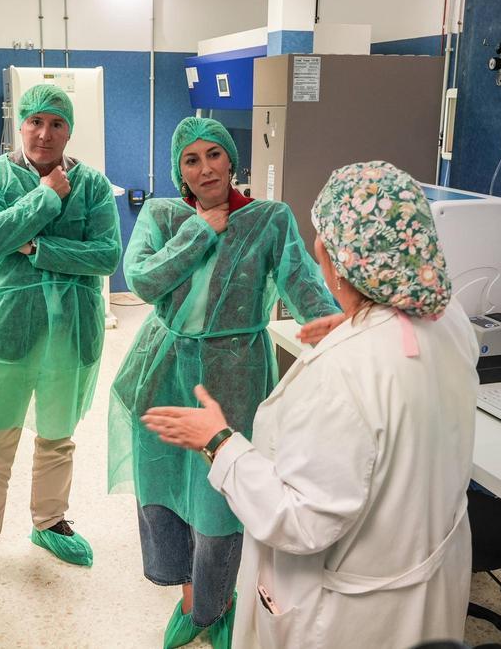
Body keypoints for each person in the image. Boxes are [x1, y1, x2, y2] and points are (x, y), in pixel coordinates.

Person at [142, 161, 480, 649]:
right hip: (427, 579)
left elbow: (299, 520)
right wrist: (355, 322)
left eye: (321, 236)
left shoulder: (344, 373)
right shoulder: (450, 320)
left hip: (353, 615)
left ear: (336, 257)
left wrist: (218, 442)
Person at [108, 117, 341, 648]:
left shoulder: (268, 220)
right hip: (163, 368)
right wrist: (199, 232)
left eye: (214, 154)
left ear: (232, 160)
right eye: (191, 160)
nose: (205, 167)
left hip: (235, 373)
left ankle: (216, 605)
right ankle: (188, 598)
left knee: (222, 494)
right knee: (163, 486)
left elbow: (306, 287)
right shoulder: (165, 215)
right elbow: (141, 279)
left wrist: (348, 334)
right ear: (179, 171)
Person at [0, 84, 121, 600]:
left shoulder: (92, 184)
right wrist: (48, 197)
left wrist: (37, 245)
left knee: (57, 436)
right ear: (20, 125)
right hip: (8, 330)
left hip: (72, 331)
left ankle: (49, 521)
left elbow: (107, 256)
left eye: (57, 123)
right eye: (35, 122)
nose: (45, 133)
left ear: (70, 129)